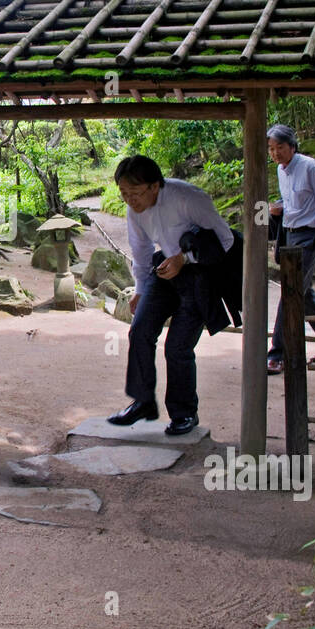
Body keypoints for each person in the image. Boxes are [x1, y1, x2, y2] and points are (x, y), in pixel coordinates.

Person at [107, 155, 240, 436]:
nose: (130, 200)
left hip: (199, 275)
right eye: (123, 194)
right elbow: (141, 252)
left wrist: (185, 258)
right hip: (165, 269)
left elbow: (225, 239)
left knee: (177, 347)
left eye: (135, 192)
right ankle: (142, 402)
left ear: (155, 186)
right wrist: (141, 290)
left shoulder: (188, 198)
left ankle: (184, 413)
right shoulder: (135, 211)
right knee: (140, 330)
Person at [265, 124, 315, 375]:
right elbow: (293, 203)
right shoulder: (281, 170)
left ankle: (277, 353)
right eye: (271, 149)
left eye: (279, 147)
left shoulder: (309, 167)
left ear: (292, 146)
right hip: (290, 234)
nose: (275, 153)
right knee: (303, 291)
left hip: (310, 236)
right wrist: (279, 208)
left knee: (291, 291)